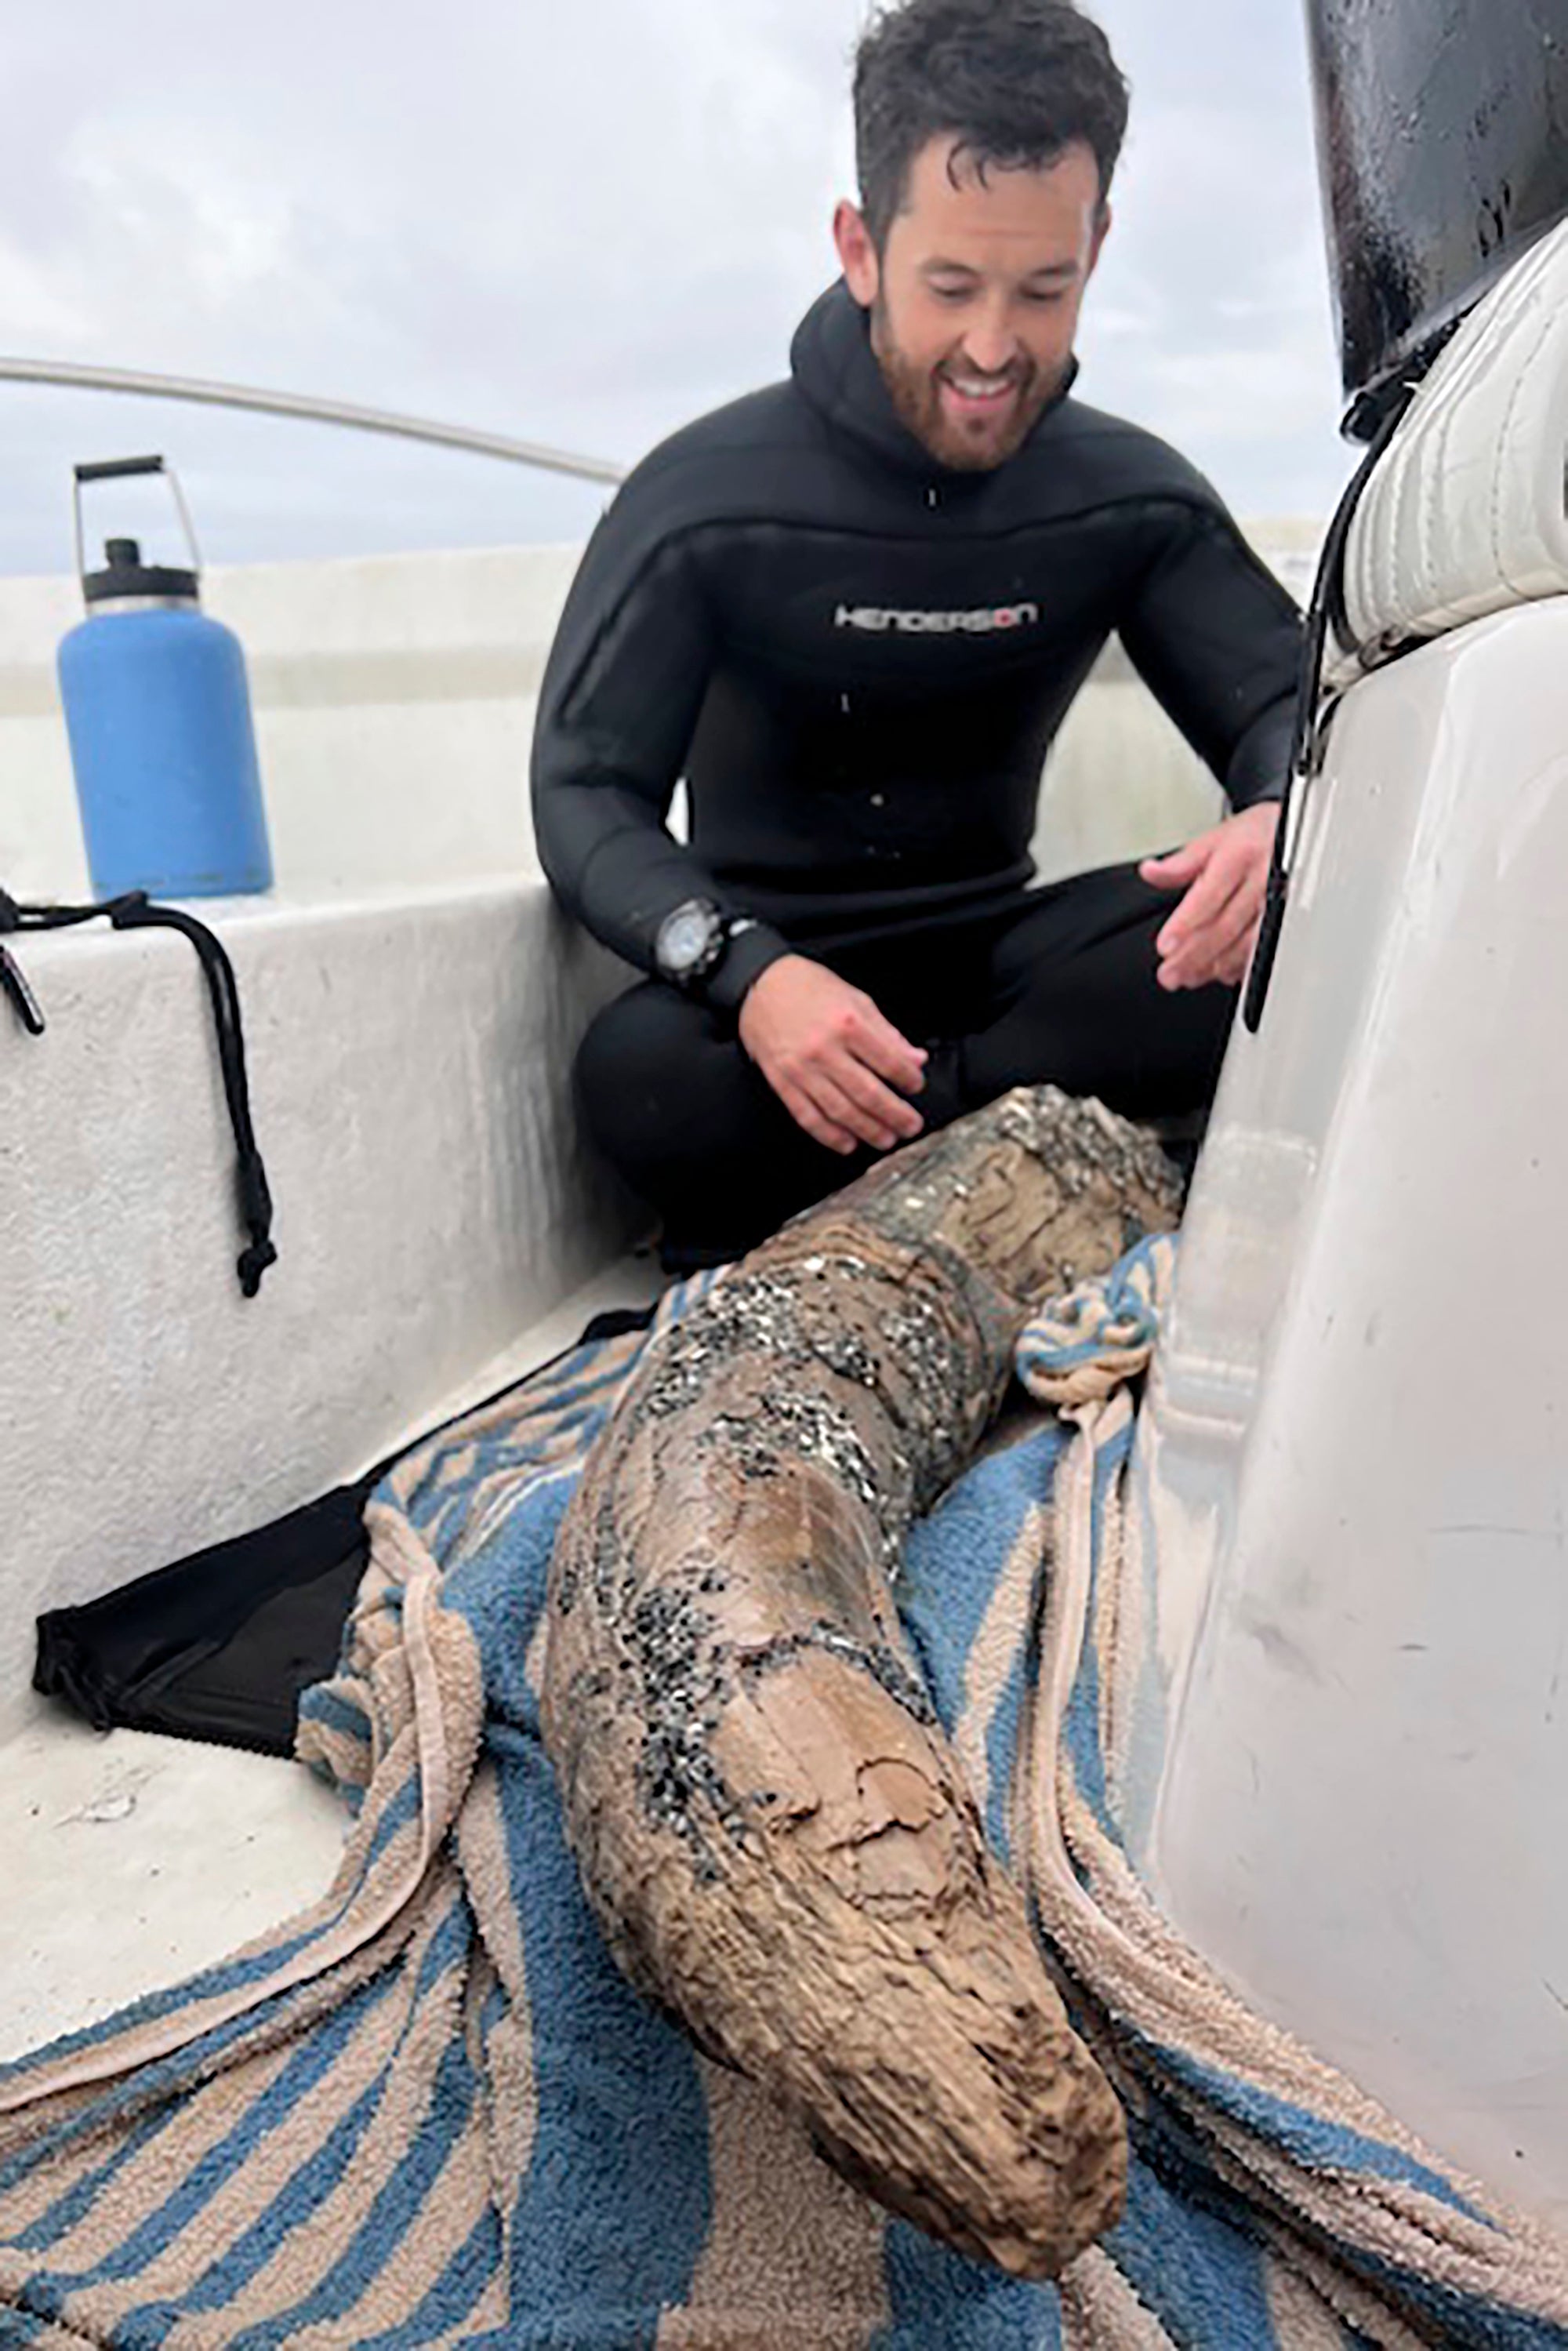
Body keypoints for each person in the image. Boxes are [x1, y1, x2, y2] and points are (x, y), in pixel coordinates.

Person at [532, 0, 1302, 1268]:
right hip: (775, 1002)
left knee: (1263, 938)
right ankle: (1003, 1159)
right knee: (636, 1077)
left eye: (1043, 289)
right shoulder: (707, 501)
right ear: (859, 246)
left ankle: (903, 1159)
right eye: (951, 286)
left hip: (1006, 976)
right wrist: (745, 971)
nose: (993, 349)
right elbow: (582, 788)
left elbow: (1285, 704)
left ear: (1097, 247)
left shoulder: (1126, 497)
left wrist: (1272, 819)